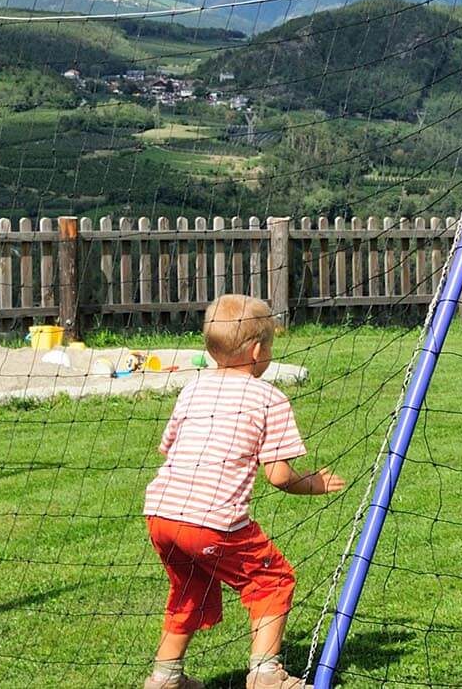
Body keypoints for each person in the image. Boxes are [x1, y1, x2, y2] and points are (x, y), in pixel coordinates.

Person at [143, 294, 347, 689]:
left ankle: (164, 678)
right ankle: (266, 674)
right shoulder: (270, 398)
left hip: (160, 513)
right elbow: (279, 476)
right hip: (213, 520)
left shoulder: (192, 390)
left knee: (189, 589)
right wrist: (315, 484)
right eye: (270, 345)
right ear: (257, 351)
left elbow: (167, 447)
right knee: (273, 580)